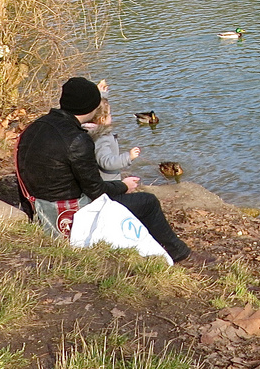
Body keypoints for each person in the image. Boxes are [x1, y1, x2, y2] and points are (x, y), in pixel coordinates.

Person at [16, 77, 189, 262]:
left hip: (36, 198)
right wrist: (122, 186)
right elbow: (96, 191)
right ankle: (178, 252)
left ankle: (146, 243)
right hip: (67, 210)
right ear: (91, 108)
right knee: (148, 202)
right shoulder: (78, 140)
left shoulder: (38, 125)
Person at [82, 93, 140, 182]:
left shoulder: (86, 131)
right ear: (102, 119)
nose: (111, 117)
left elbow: (98, 107)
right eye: (109, 114)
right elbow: (107, 162)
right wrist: (128, 157)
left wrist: (101, 93)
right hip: (107, 183)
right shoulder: (101, 137)